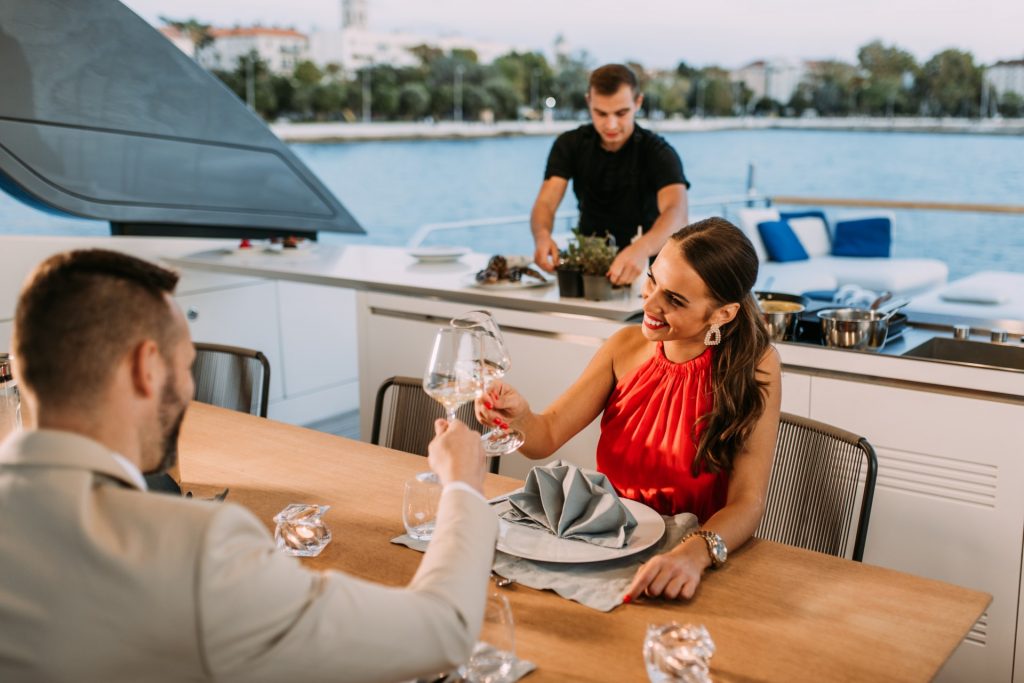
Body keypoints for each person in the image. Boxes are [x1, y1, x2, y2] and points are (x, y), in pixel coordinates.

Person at [0, 249, 497, 683]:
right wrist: (463, 489)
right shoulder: (196, 550)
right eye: (184, 363)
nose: (190, 386)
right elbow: (442, 631)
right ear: (146, 368)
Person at [478, 217, 781, 602]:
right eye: (652, 279)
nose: (649, 303)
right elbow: (545, 436)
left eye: (674, 299)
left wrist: (693, 555)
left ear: (722, 314)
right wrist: (516, 414)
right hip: (604, 548)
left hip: (691, 561)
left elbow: (748, 502)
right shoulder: (623, 346)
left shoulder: (756, 366)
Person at [530, 63, 690, 286]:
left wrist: (641, 248)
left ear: (638, 103)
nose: (611, 124)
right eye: (601, 113)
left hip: (651, 270)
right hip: (589, 269)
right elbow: (545, 203)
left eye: (621, 113)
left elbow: (677, 214)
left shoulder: (659, 152)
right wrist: (542, 236)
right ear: (589, 103)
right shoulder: (569, 144)